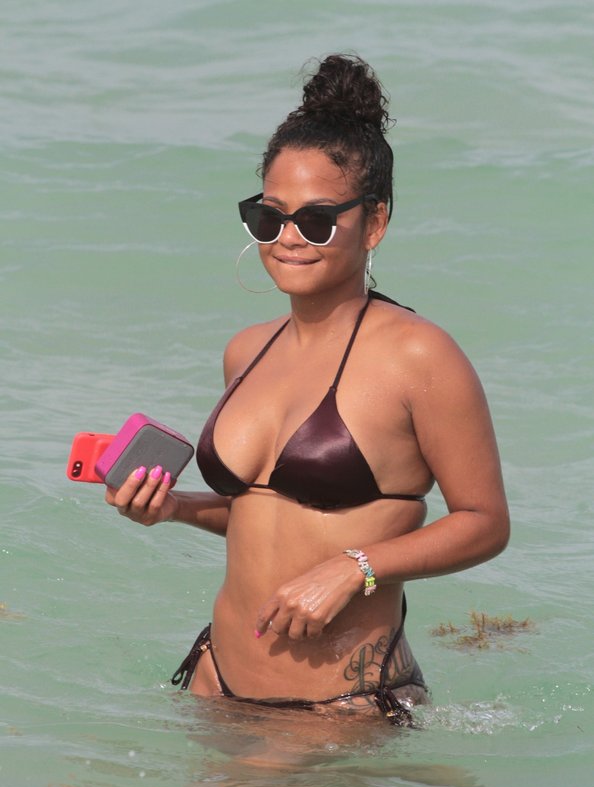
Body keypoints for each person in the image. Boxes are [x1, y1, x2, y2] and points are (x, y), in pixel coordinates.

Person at [106, 54, 509, 728]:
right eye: (269, 218)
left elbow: (484, 522)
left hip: (340, 711)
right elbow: (266, 514)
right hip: (214, 684)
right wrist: (175, 508)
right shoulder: (246, 350)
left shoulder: (418, 355)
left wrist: (356, 567)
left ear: (374, 223)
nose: (288, 239)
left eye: (317, 221)